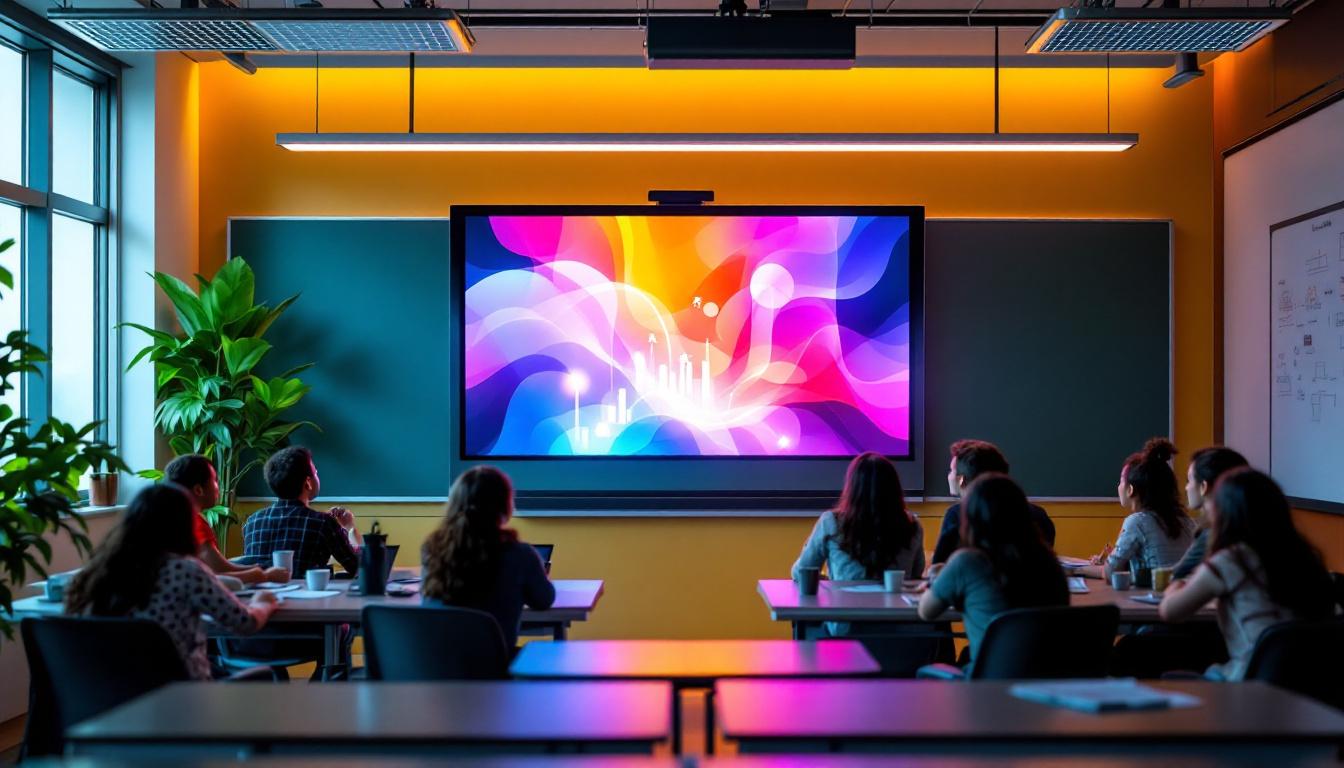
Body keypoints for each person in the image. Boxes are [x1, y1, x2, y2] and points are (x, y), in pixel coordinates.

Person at [64, 484, 278, 680]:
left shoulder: (100, 570)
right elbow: (244, 623)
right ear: (184, 525)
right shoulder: (185, 570)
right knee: (265, 677)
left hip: (117, 695)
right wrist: (263, 603)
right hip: (182, 696)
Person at [1159, 468, 1336, 680]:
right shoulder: (1304, 556)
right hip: (1312, 681)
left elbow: (1170, 612)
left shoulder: (1231, 560)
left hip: (1250, 680)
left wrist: (1174, 587)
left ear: (1223, 512)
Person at [918, 473, 1069, 672]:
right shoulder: (1051, 565)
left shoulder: (966, 562)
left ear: (971, 517)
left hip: (986, 686)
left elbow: (926, 611)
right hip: (1044, 686)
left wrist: (936, 580)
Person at [792, 452, 925, 637]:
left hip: (846, 634)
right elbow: (916, 576)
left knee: (804, 627)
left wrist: (826, 579)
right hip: (902, 637)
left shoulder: (831, 522)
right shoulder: (913, 525)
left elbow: (801, 572)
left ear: (852, 487)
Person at [421, 466, 555, 649]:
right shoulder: (520, 554)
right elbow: (544, 599)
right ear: (505, 505)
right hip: (493, 671)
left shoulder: (433, 548)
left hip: (434, 670)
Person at [1079, 438, 1195, 583]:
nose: (1119, 485)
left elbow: (1109, 573)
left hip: (1153, 600)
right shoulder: (1189, 523)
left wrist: (1077, 570)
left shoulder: (1137, 522)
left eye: (1121, 481)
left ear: (1130, 489)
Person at [164, 454, 290, 585]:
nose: (218, 486)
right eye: (215, 480)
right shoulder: (194, 523)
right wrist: (264, 575)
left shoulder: (170, 519)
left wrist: (260, 569)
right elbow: (217, 572)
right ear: (198, 490)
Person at [242, 446, 362, 577]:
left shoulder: (252, 522)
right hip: (308, 595)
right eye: (315, 472)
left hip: (264, 596)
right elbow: (361, 568)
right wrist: (349, 527)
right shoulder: (323, 523)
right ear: (308, 483)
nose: (317, 475)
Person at [931, 440, 1055, 565]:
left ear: (961, 480)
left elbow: (940, 566)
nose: (949, 475)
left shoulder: (957, 515)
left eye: (951, 471)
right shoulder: (1039, 515)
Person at [1173, 446, 1249, 580]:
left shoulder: (1215, 531)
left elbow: (1177, 574)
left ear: (1204, 487)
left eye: (1189, 480)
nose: (1186, 488)